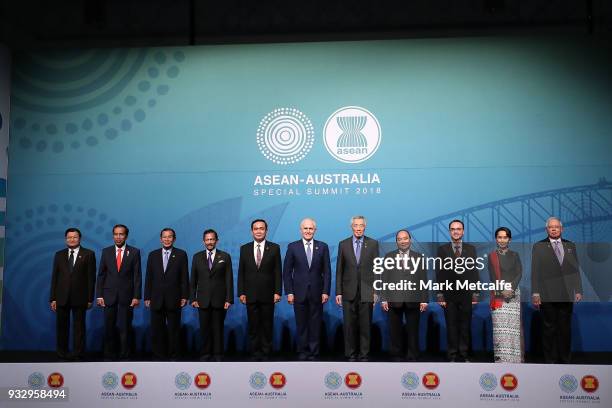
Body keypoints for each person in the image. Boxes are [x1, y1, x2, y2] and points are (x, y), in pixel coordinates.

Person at [531, 217, 582, 363]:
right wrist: (535, 293)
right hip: (546, 294)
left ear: (562, 229)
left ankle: (565, 359)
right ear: (547, 230)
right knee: (549, 329)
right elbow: (536, 271)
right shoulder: (539, 246)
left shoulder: (570, 245)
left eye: (556, 227)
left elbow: (575, 270)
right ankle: (550, 361)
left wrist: (578, 290)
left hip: (566, 293)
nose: (554, 229)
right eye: (551, 227)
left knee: (565, 329)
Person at [283, 218, 331, 361]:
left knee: (315, 324)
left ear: (315, 230)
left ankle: (314, 351)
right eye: (305, 228)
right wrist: (289, 292)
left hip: (317, 292)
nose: (308, 231)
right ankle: (303, 350)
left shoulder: (323, 247)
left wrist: (325, 291)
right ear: (300, 230)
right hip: (298, 293)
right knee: (301, 323)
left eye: (311, 228)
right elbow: (287, 272)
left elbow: (327, 271)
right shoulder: (293, 247)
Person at [335, 215, 380, 362]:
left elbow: (377, 269)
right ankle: (350, 353)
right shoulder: (343, 244)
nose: (358, 228)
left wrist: (376, 292)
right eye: (356, 225)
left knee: (366, 324)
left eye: (361, 225)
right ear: (351, 227)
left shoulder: (373, 244)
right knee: (349, 325)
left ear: (365, 227)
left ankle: (364, 353)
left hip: (367, 290)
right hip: (348, 290)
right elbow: (339, 270)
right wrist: (338, 292)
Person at [237, 219, 282, 361]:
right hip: (250, 294)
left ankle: (266, 352)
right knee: (253, 325)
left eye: (261, 228)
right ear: (251, 231)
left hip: (268, 294)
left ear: (266, 231)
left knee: (267, 325)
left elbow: (277, 272)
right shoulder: (244, 248)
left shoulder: (274, 248)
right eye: (256, 229)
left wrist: (277, 291)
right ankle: (255, 352)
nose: (258, 231)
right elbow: (241, 272)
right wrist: (241, 292)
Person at [49, 227, 96, 361]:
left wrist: (90, 298)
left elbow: (91, 278)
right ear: (66, 239)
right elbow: (55, 277)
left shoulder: (89, 254)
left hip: (80, 297)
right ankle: (61, 353)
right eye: (69, 237)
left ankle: (78, 353)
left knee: (79, 327)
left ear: (79, 239)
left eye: (75, 237)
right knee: (62, 327)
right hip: (61, 297)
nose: (72, 239)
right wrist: (53, 298)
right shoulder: (59, 255)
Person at [95, 224, 142, 361]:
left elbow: (137, 276)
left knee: (125, 328)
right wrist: (99, 295)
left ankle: (124, 355)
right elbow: (101, 275)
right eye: (116, 234)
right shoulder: (106, 252)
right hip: (108, 296)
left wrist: (136, 296)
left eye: (121, 234)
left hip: (127, 297)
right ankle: (109, 355)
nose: (118, 237)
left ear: (126, 236)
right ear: (113, 235)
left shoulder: (134, 252)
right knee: (109, 328)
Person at [381, 229, 428, 362]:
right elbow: (385, 279)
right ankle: (396, 354)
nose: (403, 241)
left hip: (414, 299)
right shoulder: (389, 257)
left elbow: (423, 280)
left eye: (405, 238)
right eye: (400, 239)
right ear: (396, 242)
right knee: (394, 330)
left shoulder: (419, 257)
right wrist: (383, 298)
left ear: (410, 240)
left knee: (413, 329)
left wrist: (424, 300)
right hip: (393, 299)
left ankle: (413, 353)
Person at [436, 219, 479, 362]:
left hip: (466, 294)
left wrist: (475, 292)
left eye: (458, 229)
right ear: (449, 232)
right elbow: (439, 273)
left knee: (465, 325)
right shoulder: (442, 250)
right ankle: (452, 354)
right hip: (449, 294)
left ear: (463, 231)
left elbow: (474, 272)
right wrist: (440, 294)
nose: (456, 231)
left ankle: (464, 354)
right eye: (453, 229)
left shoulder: (471, 249)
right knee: (451, 325)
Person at [144, 228, 189, 361]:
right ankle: (158, 355)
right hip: (156, 298)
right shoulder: (153, 255)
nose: (167, 239)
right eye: (164, 237)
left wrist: (185, 296)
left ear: (174, 239)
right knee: (157, 329)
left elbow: (184, 277)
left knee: (174, 329)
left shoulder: (181, 254)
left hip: (174, 298)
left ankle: (174, 355)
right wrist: (147, 296)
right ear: (160, 239)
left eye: (170, 237)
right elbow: (149, 277)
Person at [190, 229, 233, 361]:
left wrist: (229, 299)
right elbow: (193, 279)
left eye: (212, 239)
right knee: (204, 329)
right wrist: (193, 298)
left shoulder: (225, 256)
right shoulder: (197, 257)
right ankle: (205, 353)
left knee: (218, 328)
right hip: (202, 299)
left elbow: (229, 279)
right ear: (203, 241)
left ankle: (218, 354)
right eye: (207, 239)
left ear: (217, 241)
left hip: (219, 299)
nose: (209, 242)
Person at [488, 227, 523, 363]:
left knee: (512, 327)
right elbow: (492, 276)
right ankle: (501, 358)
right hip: (498, 294)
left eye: (505, 237)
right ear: (496, 239)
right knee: (500, 328)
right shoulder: (492, 256)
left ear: (509, 239)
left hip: (514, 294)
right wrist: (502, 289)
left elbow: (519, 273)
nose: (502, 240)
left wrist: (511, 289)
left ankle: (514, 358)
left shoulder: (515, 255)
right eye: (499, 237)